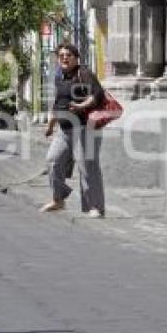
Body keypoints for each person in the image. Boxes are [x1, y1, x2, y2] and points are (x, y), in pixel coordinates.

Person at [41, 42, 106, 218]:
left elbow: (96, 95)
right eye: (61, 55)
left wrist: (80, 106)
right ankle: (58, 199)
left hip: (85, 128)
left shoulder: (83, 73)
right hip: (64, 130)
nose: (64, 58)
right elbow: (58, 103)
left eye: (68, 55)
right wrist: (50, 125)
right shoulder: (59, 76)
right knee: (53, 161)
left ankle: (95, 207)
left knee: (87, 167)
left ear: (76, 58)